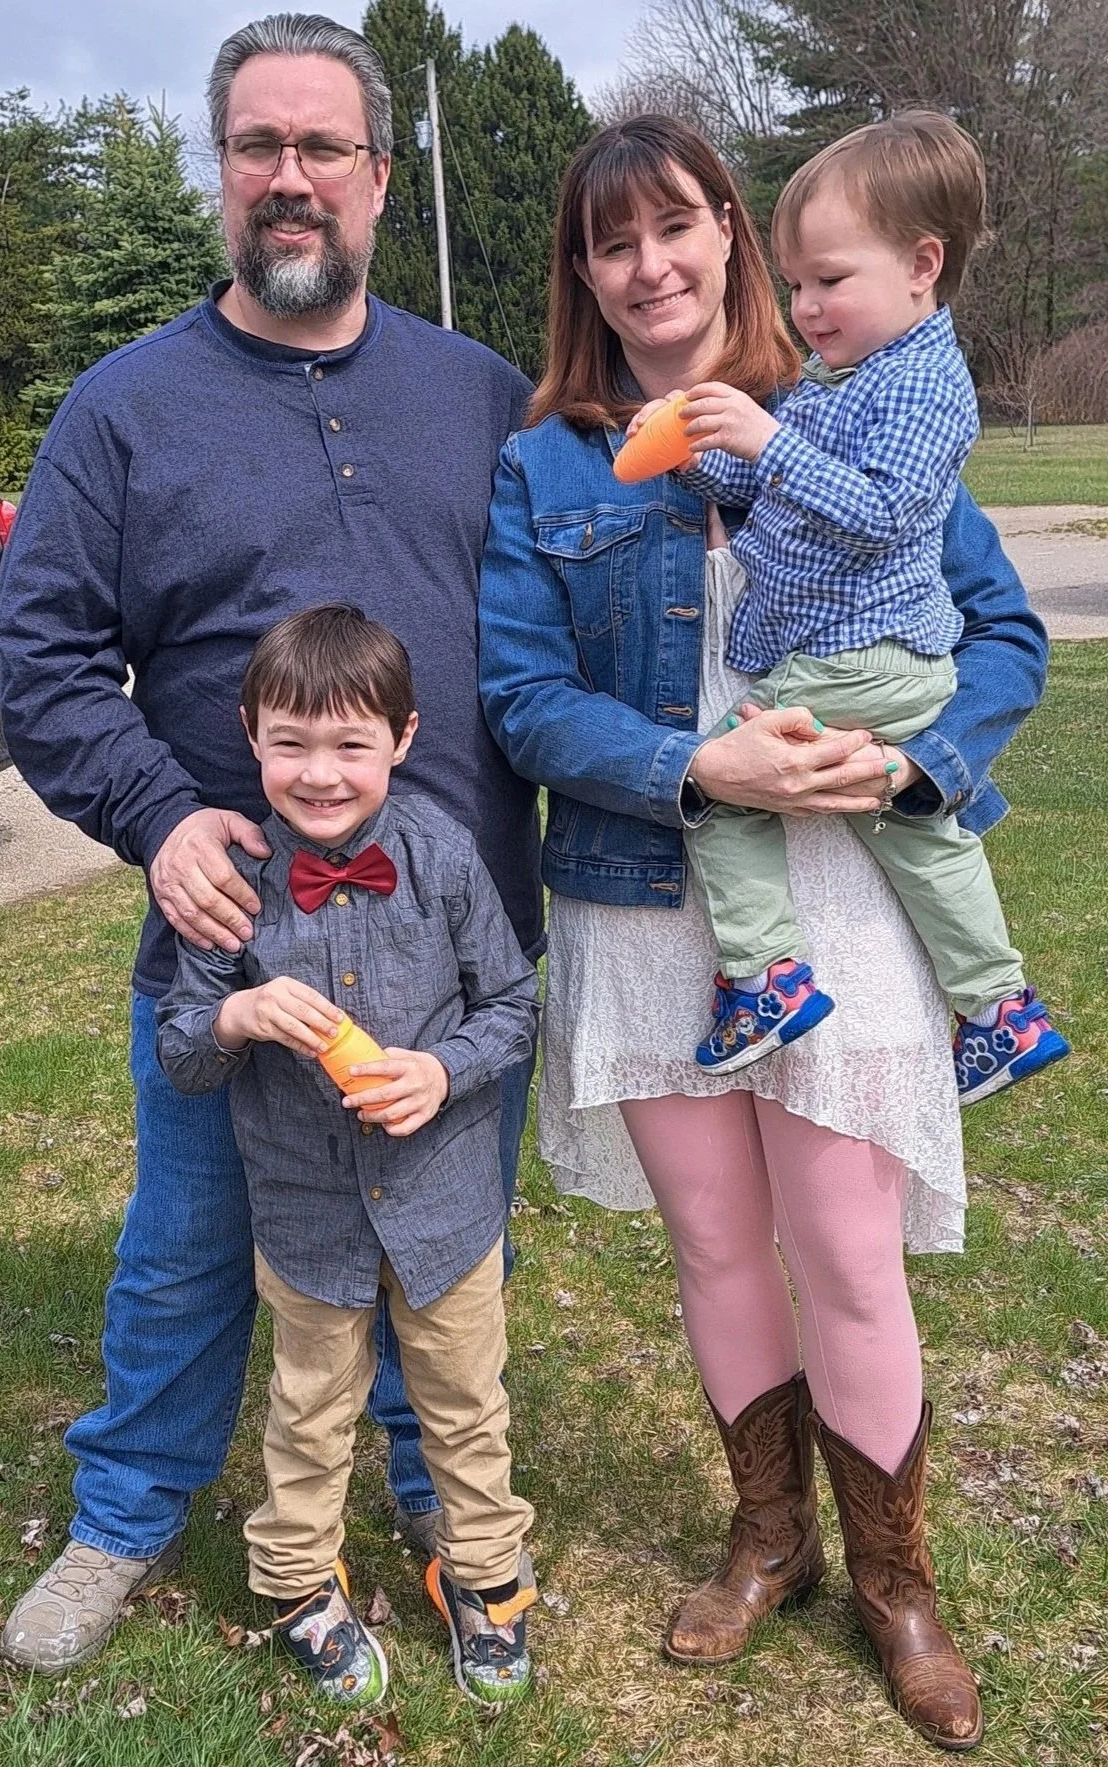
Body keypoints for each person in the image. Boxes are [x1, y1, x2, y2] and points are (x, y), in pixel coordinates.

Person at [478, 113, 1049, 1752]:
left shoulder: (854, 406)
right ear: (582, 275)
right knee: (720, 1246)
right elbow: (521, 696)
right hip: (650, 902)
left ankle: (896, 1580)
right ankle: (768, 1534)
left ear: (729, 231)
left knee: (847, 1253)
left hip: (842, 897)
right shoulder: (546, 467)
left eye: (676, 226)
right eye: (611, 242)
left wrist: (917, 755)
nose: (648, 266)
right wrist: (689, 762)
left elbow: (1003, 633)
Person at [0, 14, 541, 1675]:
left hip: (455, 944)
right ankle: (130, 1507)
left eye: (323, 148)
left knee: (440, 1241)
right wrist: (160, 820)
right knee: (184, 1255)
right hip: (236, 937)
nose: (290, 179)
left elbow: (573, 609)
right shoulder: (127, 407)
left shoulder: (481, 391)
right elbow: (42, 659)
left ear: (380, 175)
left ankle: (442, 1508)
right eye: (258, 147)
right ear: (220, 172)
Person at [628, 114, 1068, 1096]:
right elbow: (781, 492)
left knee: (726, 785)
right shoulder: (847, 375)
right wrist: (705, 455)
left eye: (828, 280)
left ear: (920, 264)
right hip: (862, 655)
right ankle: (999, 1010)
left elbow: (875, 511)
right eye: (793, 284)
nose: (806, 306)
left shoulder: (926, 389)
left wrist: (764, 437)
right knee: (914, 830)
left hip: (854, 655)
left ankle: (765, 978)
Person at [156, 604, 539, 1706]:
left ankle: (481, 1578)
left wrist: (441, 1070)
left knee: (464, 1403)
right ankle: (295, 1584)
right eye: (290, 744)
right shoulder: (228, 879)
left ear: (402, 740)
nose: (319, 775)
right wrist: (235, 1019)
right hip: (306, 1206)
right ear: (250, 735)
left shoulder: (441, 854)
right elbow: (184, 1053)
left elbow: (512, 1006)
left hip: (444, 1202)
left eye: (349, 746)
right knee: (308, 1405)